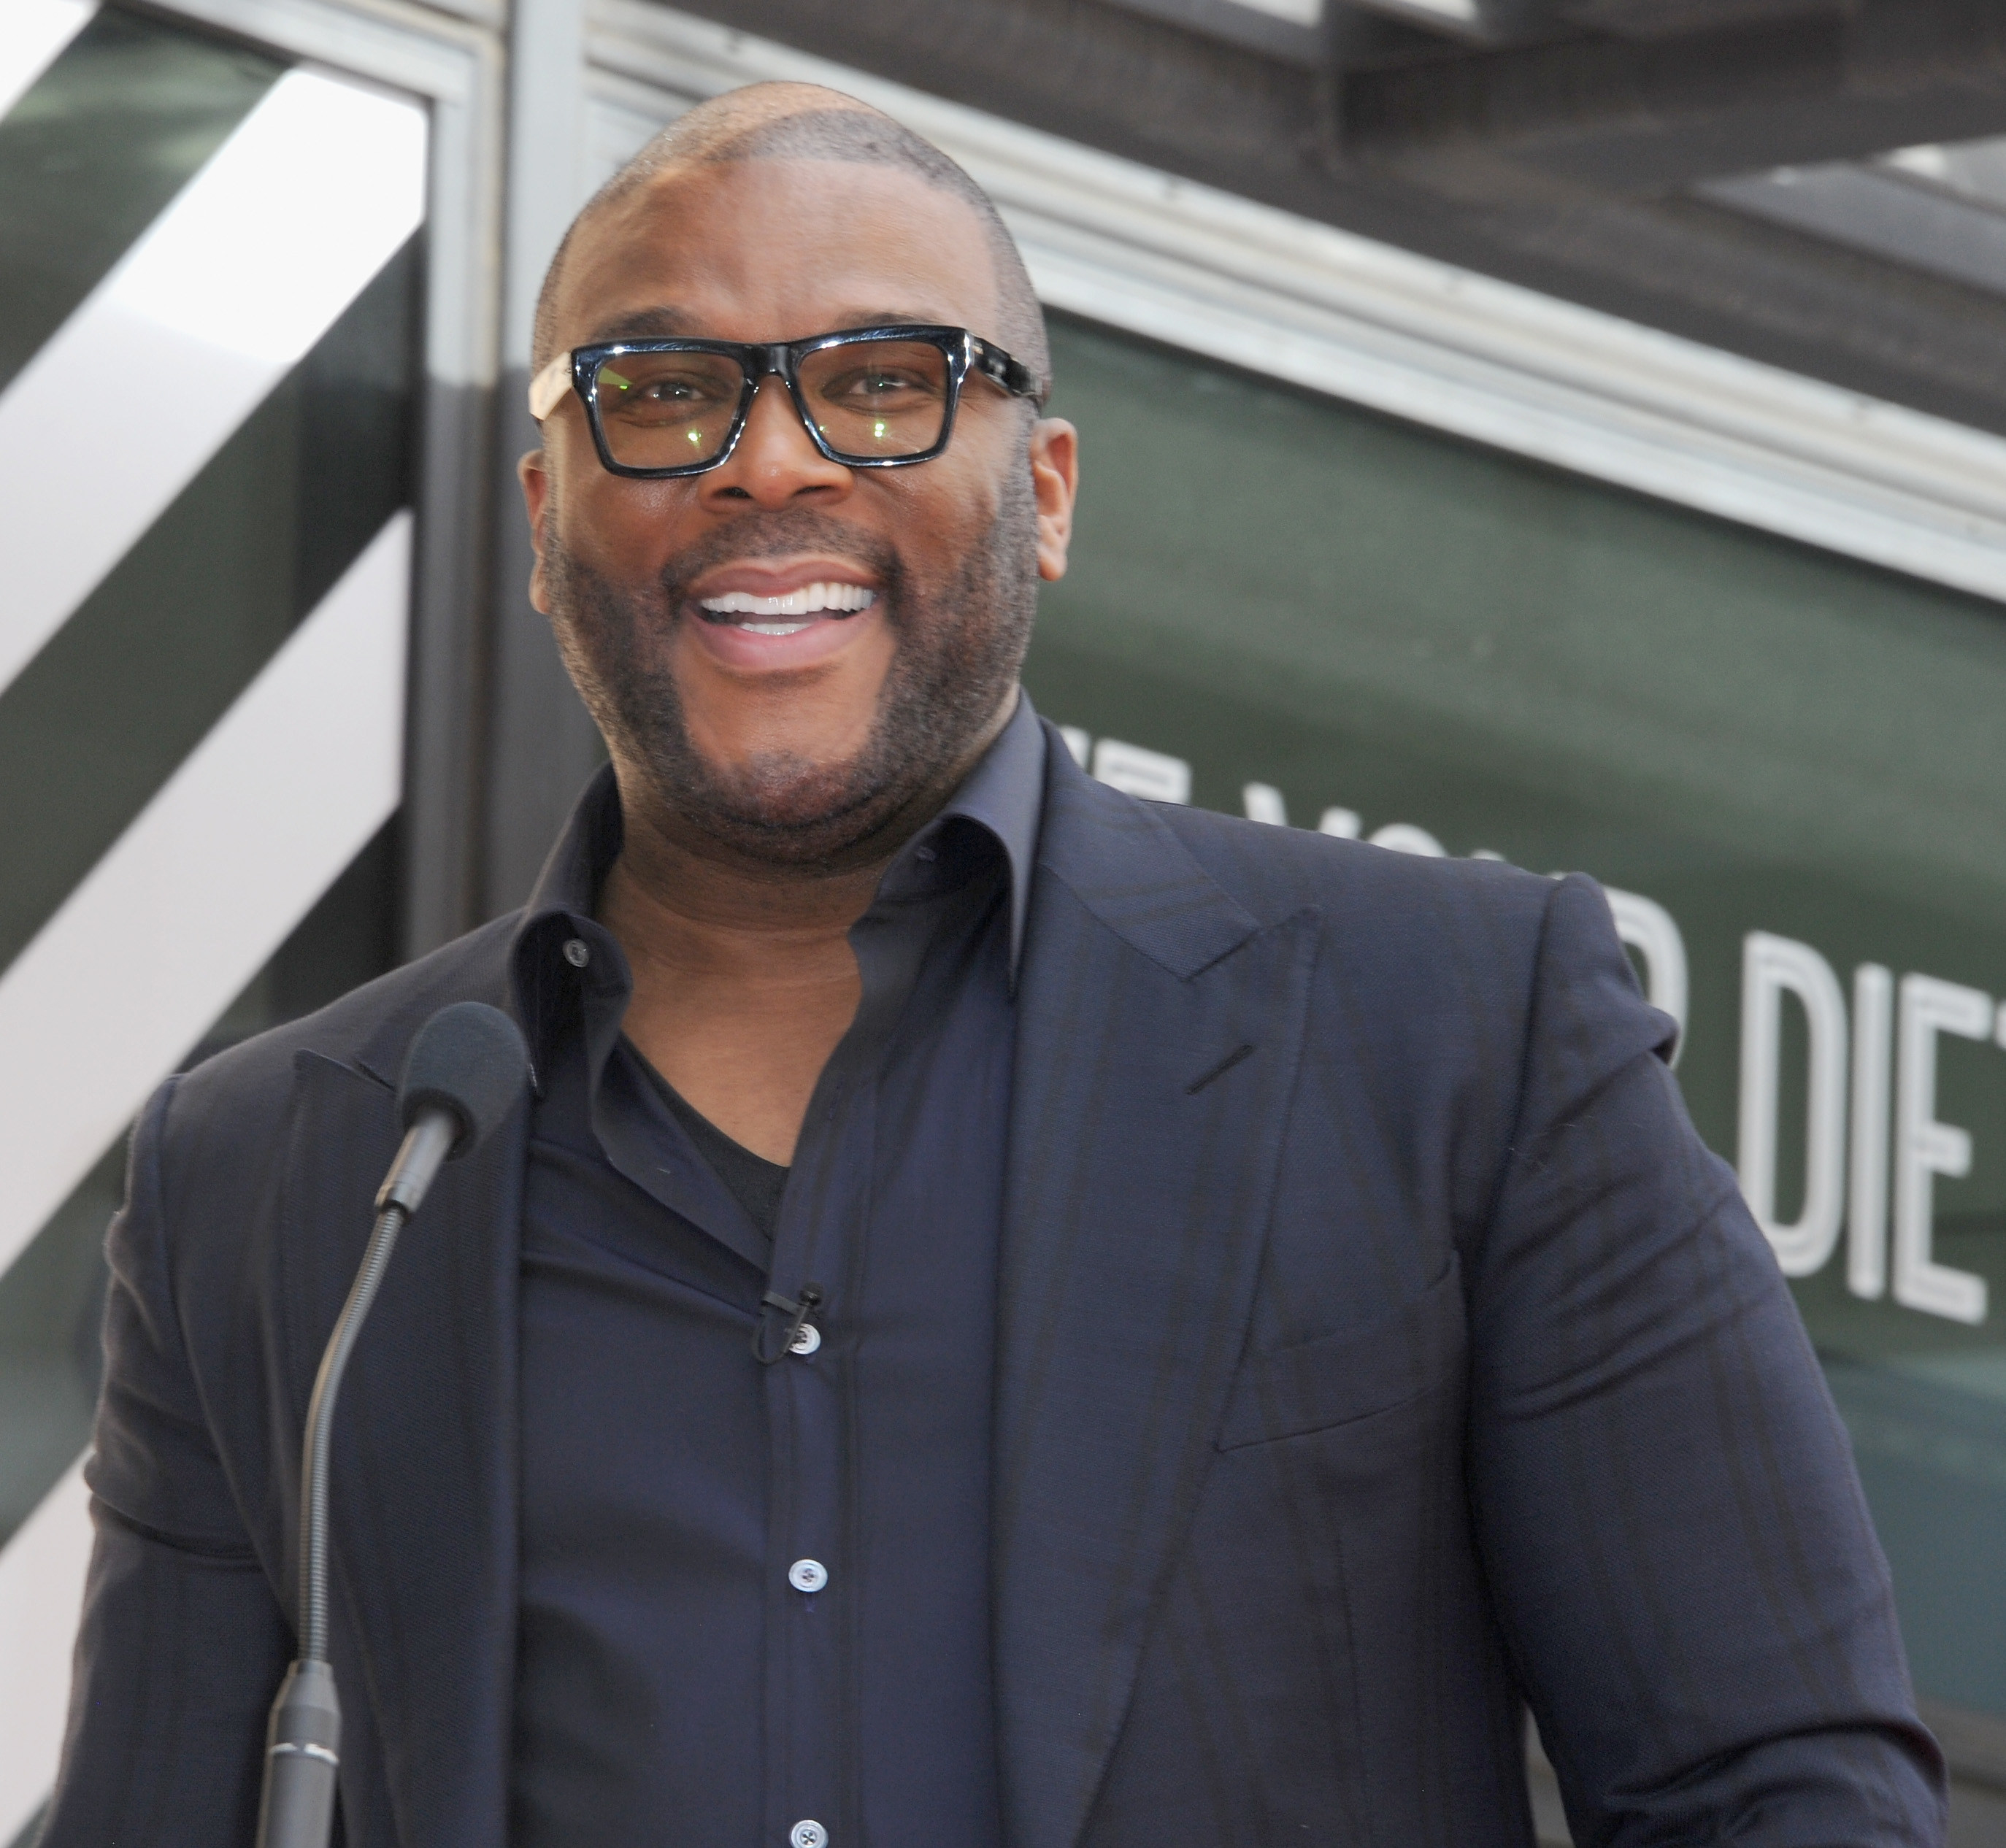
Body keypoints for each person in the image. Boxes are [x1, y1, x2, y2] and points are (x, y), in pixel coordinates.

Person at [43, 79, 1945, 1848]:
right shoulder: (285, 1175)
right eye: (661, 388)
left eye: (880, 382)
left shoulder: (1454, 1033)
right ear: (548, 522)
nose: (766, 458)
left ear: (1040, 489)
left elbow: (1770, 1782)